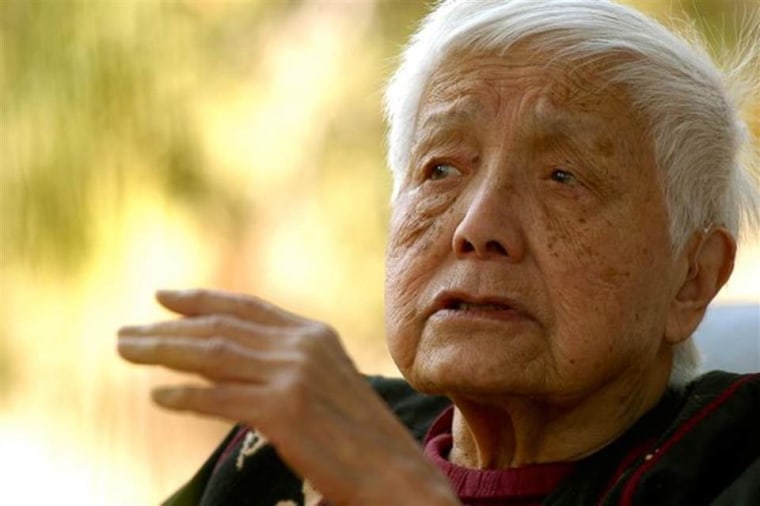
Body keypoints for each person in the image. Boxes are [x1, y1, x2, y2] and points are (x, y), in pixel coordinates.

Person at [117, 0, 760, 504]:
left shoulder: (735, 463)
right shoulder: (300, 442)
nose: (478, 227)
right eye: (441, 170)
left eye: (563, 177)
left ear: (692, 279)